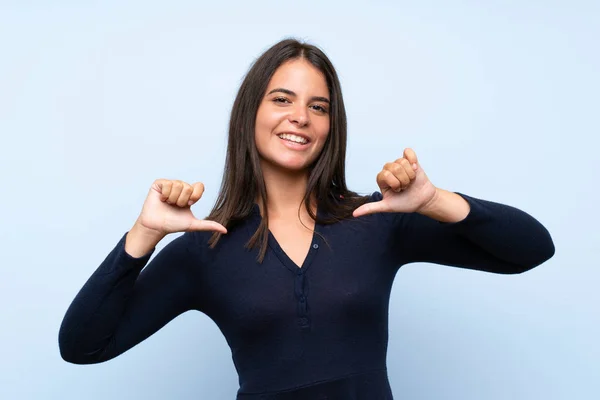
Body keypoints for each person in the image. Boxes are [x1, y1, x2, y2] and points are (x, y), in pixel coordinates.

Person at [58, 39, 555, 399]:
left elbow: (532, 250)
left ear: (330, 126)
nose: (300, 116)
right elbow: (83, 346)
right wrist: (143, 235)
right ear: (250, 112)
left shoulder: (376, 219)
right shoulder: (204, 248)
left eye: (318, 106)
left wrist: (434, 201)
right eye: (282, 99)